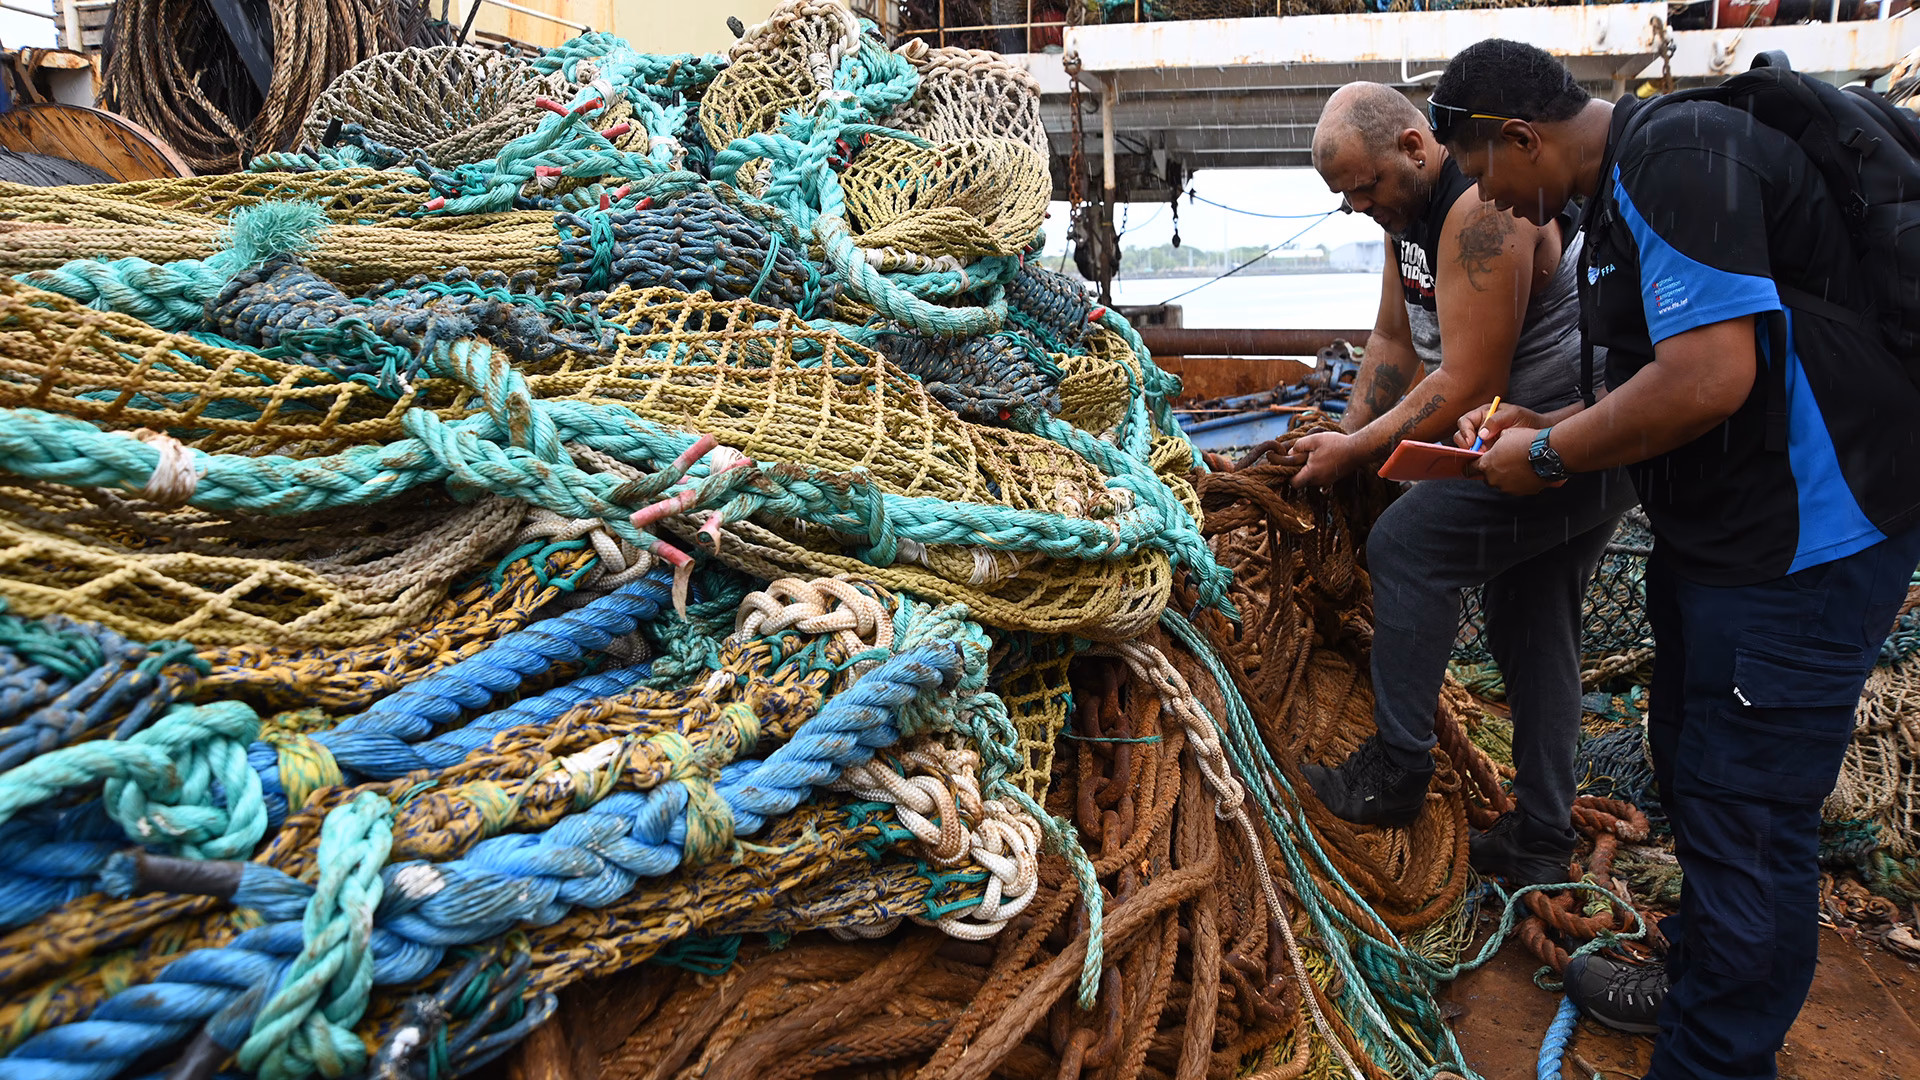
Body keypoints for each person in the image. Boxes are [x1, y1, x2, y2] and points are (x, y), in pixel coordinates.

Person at [1429, 38, 1920, 1080]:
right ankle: (1697, 984)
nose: (1495, 205)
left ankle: (1713, 1059)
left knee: (1746, 819)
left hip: (1802, 552)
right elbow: (1675, 374)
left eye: (1484, 176)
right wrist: (1543, 414)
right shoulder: (1622, 194)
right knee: (1700, 787)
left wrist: (1550, 456)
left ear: (1519, 136)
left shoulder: (1677, 156)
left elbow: (1709, 380)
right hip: (1727, 548)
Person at [1289, 82, 1634, 888]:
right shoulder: (1401, 218)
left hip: (1579, 434)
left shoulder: (1483, 211)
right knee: (1531, 613)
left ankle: (1398, 774)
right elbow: (1391, 339)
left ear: (1416, 148)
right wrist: (1348, 434)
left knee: (1405, 546)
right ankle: (1543, 839)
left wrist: (1356, 453)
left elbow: (1469, 374)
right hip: (1548, 436)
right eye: (1344, 197)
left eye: (1364, 187)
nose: (1357, 207)